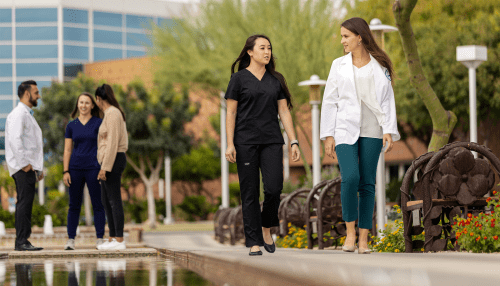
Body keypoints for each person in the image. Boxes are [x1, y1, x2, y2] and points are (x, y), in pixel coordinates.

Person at [320, 17, 400, 254]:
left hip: (372, 130)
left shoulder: (380, 67)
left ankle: (364, 239)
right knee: (350, 178)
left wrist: (388, 130)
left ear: (360, 37)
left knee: (367, 183)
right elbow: (330, 100)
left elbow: (387, 101)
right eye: (342, 36)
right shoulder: (338, 65)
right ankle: (350, 232)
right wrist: (328, 135)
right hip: (344, 129)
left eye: (346, 36)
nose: (342, 40)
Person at [225, 35, 300, 256]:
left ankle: (266, 227)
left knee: (274, 188)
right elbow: (231, 112)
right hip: (245, 142)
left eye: (269, 48)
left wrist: (293, 140)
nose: (267, 52)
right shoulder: (238, 79)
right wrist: (230, 143)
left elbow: (284, 112)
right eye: (262, 48)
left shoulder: (275, 80)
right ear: (250, 52)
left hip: (272, 141)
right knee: (249, 192)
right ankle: (253, 241)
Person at [63, 92, 106, 250]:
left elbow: (104, 146)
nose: (83, 105)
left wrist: (104, 168)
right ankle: (71, 240)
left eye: (87, 103)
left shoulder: (99, 123)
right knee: (74, 205)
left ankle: (100, 238)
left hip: (94, 168)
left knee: (98, 204)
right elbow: (67, 150)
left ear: (92, 105)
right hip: (74, 168)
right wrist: (65, 171)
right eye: (81, 102)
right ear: (77, 104)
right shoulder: (71, 126)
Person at [5, 80, 44, 251]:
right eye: (36, 92)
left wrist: (37, 168)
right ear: (27, 94)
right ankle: (21, 242)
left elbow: (31, 144)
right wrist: (25, 165)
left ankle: (23, 240)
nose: (38, 96)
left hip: (27, 167)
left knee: (26, 203)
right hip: (22, 168)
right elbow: (15, 140)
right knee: (24, 203)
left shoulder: (25, 114)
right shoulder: (18, 114)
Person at [94, 84, 128, 250]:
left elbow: (113, 142)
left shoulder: (113, 113)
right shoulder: (109, 114)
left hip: (113, 160)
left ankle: (119, 240)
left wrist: (105, 168)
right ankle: (113, 237)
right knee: (106, 200)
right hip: (108, 161)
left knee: (114, 200)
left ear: (99, 99)